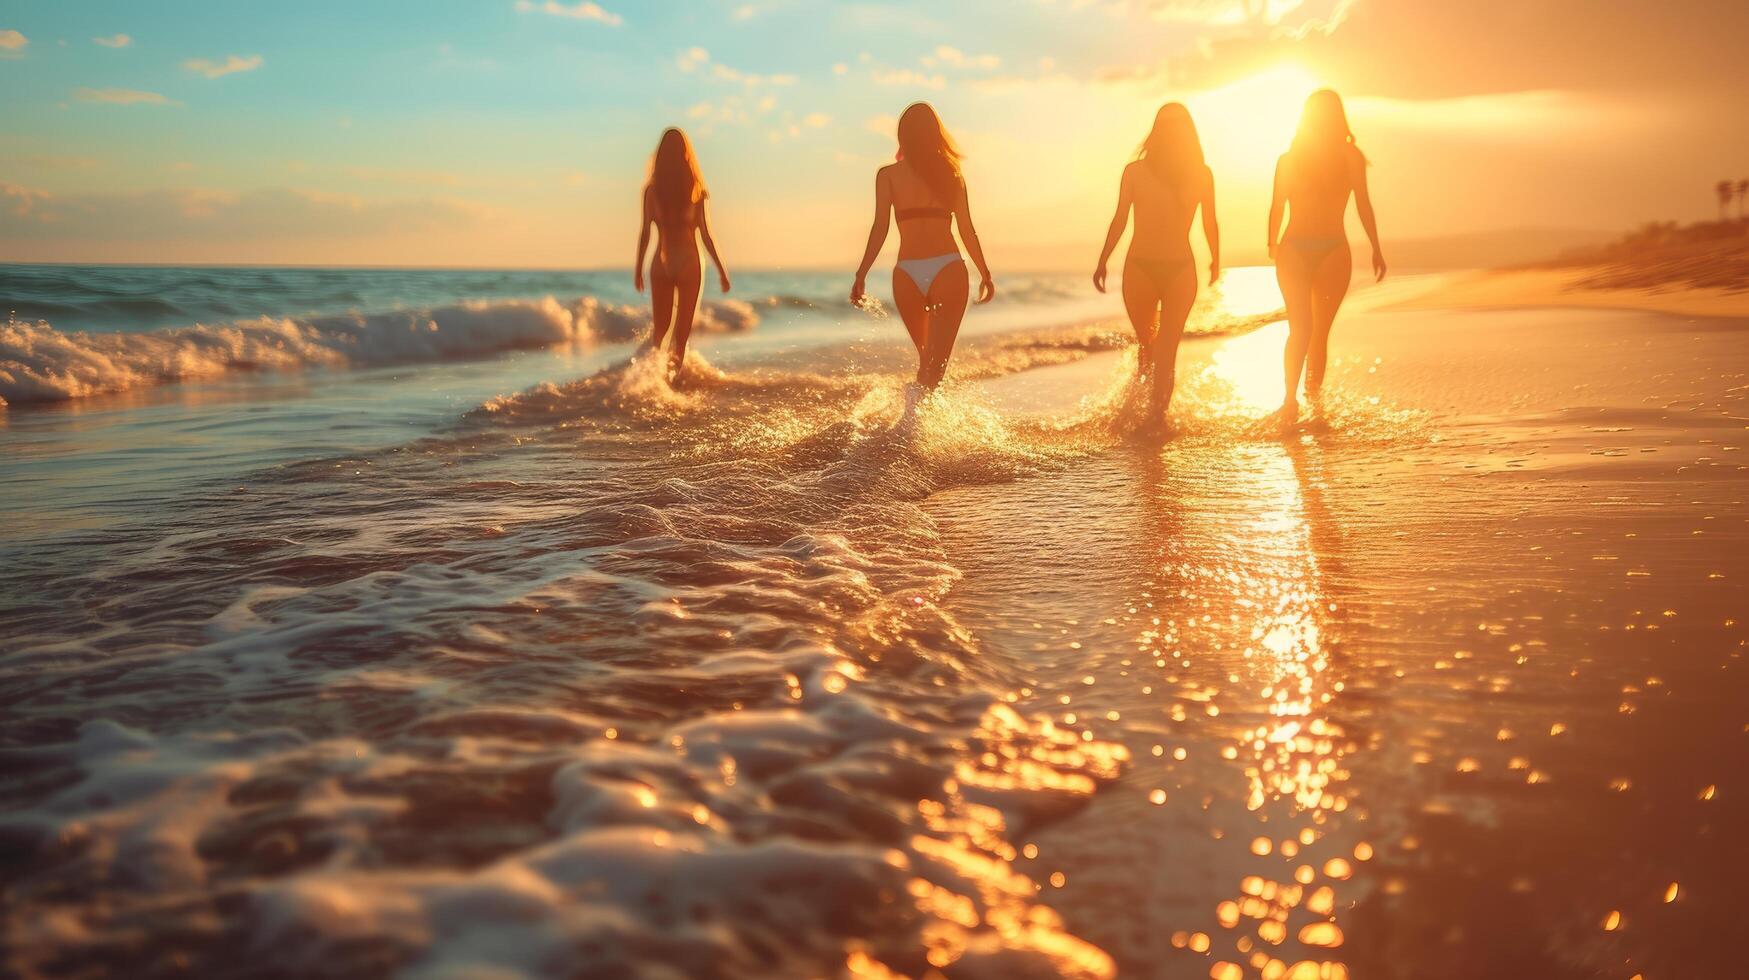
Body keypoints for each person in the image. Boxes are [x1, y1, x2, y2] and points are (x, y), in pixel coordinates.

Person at [850, 102, 995, 392]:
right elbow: (967, 229)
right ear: (935, 134)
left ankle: (914, 429)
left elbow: (880, 228)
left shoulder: (889, 175)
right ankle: (919, 430)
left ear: (903, 136)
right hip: (948, 268)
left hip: (907, 272)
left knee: (927, 364)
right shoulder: (951, 175)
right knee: (932, 366)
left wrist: (861, 274)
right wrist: (984, 273)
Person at [1093, 103, 1219, 433]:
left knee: (1166, 348)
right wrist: (1103, 259)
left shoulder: (1201, 174)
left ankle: (1156, 419)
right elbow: (1120, 218)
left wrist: (1216, 258)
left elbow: (1210, 221)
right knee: (1148, 346)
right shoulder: (1134, 171)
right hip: (1140, 268)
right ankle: (1141, 412)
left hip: (1180, 270)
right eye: (1167, 125)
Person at [1266, 89, 1385, 430]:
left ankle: (1308, 403)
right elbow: (1277, 205)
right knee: (1305, 330)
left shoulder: (1348, 157)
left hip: (1328, 249)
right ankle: (1292, 401)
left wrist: (1376, 247)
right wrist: (1272, 243)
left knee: (1313, 332)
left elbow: (1363, 203)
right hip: (1300, 250)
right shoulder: (1291, 159)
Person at [634, 127, 730, 382]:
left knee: (659, 334)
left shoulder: (652, 191)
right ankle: (672, 386)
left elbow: (645, 232)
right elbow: (706, 235)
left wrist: (638, 268)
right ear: (686, 154)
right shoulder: (696, 189)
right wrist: (722, 270)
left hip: (660, 264)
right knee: (680, 339)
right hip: (689, 262)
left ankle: (653, 386)